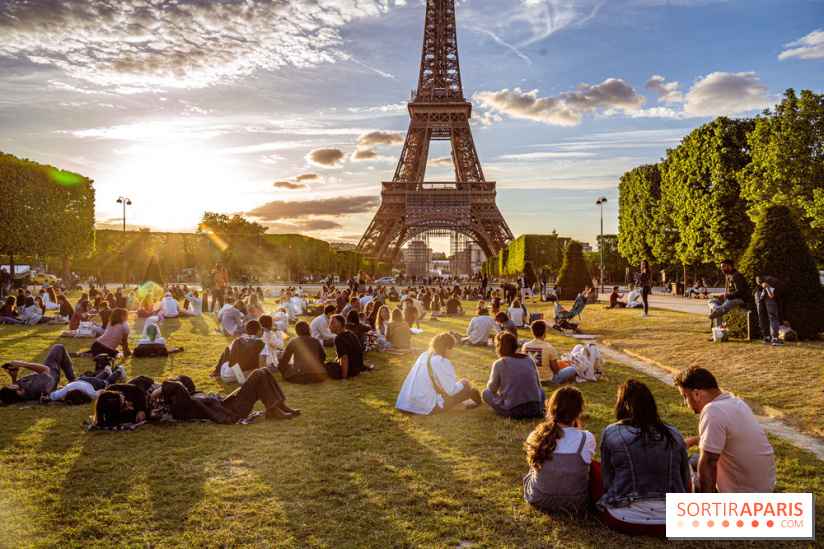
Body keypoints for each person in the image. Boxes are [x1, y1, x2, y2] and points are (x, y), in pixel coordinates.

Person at [592, 379, 690, 536]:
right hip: (675, 521)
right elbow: (685, 482)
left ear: (620, 405)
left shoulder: (611, 432)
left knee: (592, 467)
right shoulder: (673, 433)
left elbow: (607, 483)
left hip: (623, 519)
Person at [673, 366, 776, 493]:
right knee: (694, 459)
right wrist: (693, 441)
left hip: (742, 494)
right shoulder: (737, 403)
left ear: (696, 394)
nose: (685, 402)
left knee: (684, 470)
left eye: (684, 397)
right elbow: (728, 436)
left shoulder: (712, 411)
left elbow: (709, 462)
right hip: (764, 486)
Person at [523, 386, 596, 512]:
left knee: (534, 464)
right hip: (576, 503)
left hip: (539, 498)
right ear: (579, 412)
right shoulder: (587, 438)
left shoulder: (535, 436)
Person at [158, 368, 298, 422]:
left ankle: (280, 405)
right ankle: (273, 410)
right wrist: (161, 389)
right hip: (233, 410)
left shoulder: (191, 395)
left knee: (264, 371)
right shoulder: (181, 407)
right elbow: (177, 387)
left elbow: (184, 381)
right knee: (258, 374)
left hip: (231, 402)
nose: (184, 388)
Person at [395, 333, 482, 414]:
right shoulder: (441, 361)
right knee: (467, 390)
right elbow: (451, 391)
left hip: (408, 403)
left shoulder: (424, 355)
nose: (451, 352)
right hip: (426, 405)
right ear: (447, 347)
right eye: (451, 348)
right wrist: (463, 381)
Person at [482, 332, 545, 419]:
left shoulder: (499, 363)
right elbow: (538, 386)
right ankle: (539, 410)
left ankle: (506, 409)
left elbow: (492, 389)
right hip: (534, 409)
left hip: (515, 412)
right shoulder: (529, 359)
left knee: (485, 393)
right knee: (542, 392)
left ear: (499, 348)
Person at [0, 344, 77, 404]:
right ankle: (72, 379)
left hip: (39, 375)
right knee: (58, 348)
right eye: (11, 386)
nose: (9, 385)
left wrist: (14, 377)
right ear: (18, 392)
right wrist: (21, 364)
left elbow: (14, 389)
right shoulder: (37, 387)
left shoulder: (21, 393)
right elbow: (46, 369)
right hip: (50, 373)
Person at [521, 320, 576, 385]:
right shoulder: (550, 348)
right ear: (544, 333)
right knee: (572, 369)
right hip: (547, 380)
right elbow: (556, 370)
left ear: (532, 333)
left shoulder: (525, 346)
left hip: (530, 379)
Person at [41, 365, 127, 405]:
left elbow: (101, 391)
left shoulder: (90, 394)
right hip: (82, 380)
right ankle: (106, 371)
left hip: (89, 382)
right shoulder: (62, 392)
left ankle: (119, 369)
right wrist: (46, 398)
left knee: (106, 382)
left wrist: (106, 389)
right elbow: (48, 396)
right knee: (97, 379)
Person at [707, 259, 748, 334]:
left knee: (719, 311)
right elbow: (731, 292)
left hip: (738, 299)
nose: (721, 268)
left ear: (729, 266)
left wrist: (725, 296)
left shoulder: (736, 275)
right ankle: (719, 333)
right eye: (721, 267)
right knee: (711, 302)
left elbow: (740, 292)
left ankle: (718, 334)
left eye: (723, 266)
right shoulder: (730, 276)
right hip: (730, 298)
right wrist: (722, 296)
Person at [324, 314, 365, 380]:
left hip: (350, 370)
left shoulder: (339, 339)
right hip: (358, 369)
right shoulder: (351, 333)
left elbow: (344, 358)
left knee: (326, 366)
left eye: (331, 324)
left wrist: (344, 377)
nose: (329, 326)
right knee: (335, 361)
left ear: (338, 327)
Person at [754, 275, 789, 346]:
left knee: (762, 315)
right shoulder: (783, 287)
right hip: (769, 295)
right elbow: (783, 304)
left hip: (758, 293)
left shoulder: (766, 278)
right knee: (773, 317)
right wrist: (785, 319)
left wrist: (761, 283)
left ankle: (766, 337)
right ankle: (775, 338)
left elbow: (758, 277)